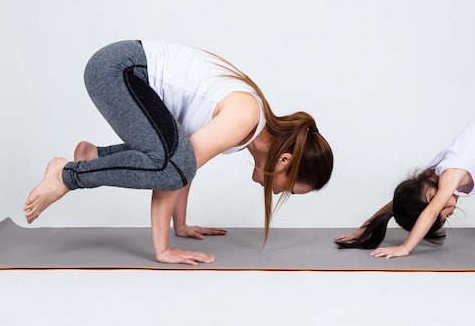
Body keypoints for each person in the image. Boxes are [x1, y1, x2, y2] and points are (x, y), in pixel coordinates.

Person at [24, 39, 333, 265]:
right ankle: (67, 175)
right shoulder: (245, 118)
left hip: (123, 70)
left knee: (177, 160)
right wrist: (163, 250)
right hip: (118, 71)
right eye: (289, 188)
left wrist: (180, 225)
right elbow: (175, 171)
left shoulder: (250, 123)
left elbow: (185, 163)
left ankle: (95, 157)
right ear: (284, 161)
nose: (279, 192)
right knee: (173, 165)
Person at [335, 105, 475, 259]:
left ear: (431, 197)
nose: (450, 214)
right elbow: (396, 204)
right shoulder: (428, 178)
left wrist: (405, 247)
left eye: (443, 216)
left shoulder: (448, 176)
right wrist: (362, 230)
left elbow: (430, 211)